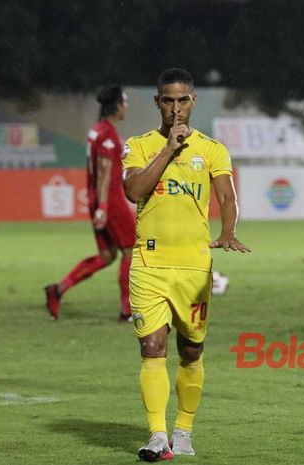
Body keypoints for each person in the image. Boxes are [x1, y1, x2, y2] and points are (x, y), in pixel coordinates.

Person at [122, 68, 249, 461]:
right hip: (149, 262)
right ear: (157, 102)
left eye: (182, 100)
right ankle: (158, 436)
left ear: (193, 101)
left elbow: (227, 197)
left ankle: (184, 430)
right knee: (152, 346)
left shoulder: (212, 149)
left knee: (191, 350)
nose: (175, 108)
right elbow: (133, 190)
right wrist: (169, 150)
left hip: (193, 266)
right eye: (167, 100)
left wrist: (227, 231)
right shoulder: (139, 145)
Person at [44, 86, 135, 322]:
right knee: (131, 251)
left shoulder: (96, 131)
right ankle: (127, 310)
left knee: (107, 255)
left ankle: (58, 289)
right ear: (116, 106)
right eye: (124, 103)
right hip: (109, 201)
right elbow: (105, 172)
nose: (126, 107)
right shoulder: (108, 135)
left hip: (96, 199)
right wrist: (105, 208)